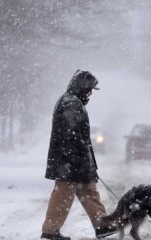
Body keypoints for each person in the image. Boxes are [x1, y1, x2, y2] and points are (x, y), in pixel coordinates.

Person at [41, 70, 117, 240]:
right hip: (69, 163)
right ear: (81, 87)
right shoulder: (71, 103)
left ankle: (102, 226)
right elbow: (72, 136)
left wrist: (87, 162)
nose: (90, 93)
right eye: (89, 89)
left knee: (88, 192)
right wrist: (80, 160)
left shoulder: (73, 101)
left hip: (72, 161)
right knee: (63, 196)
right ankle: (50, 231)